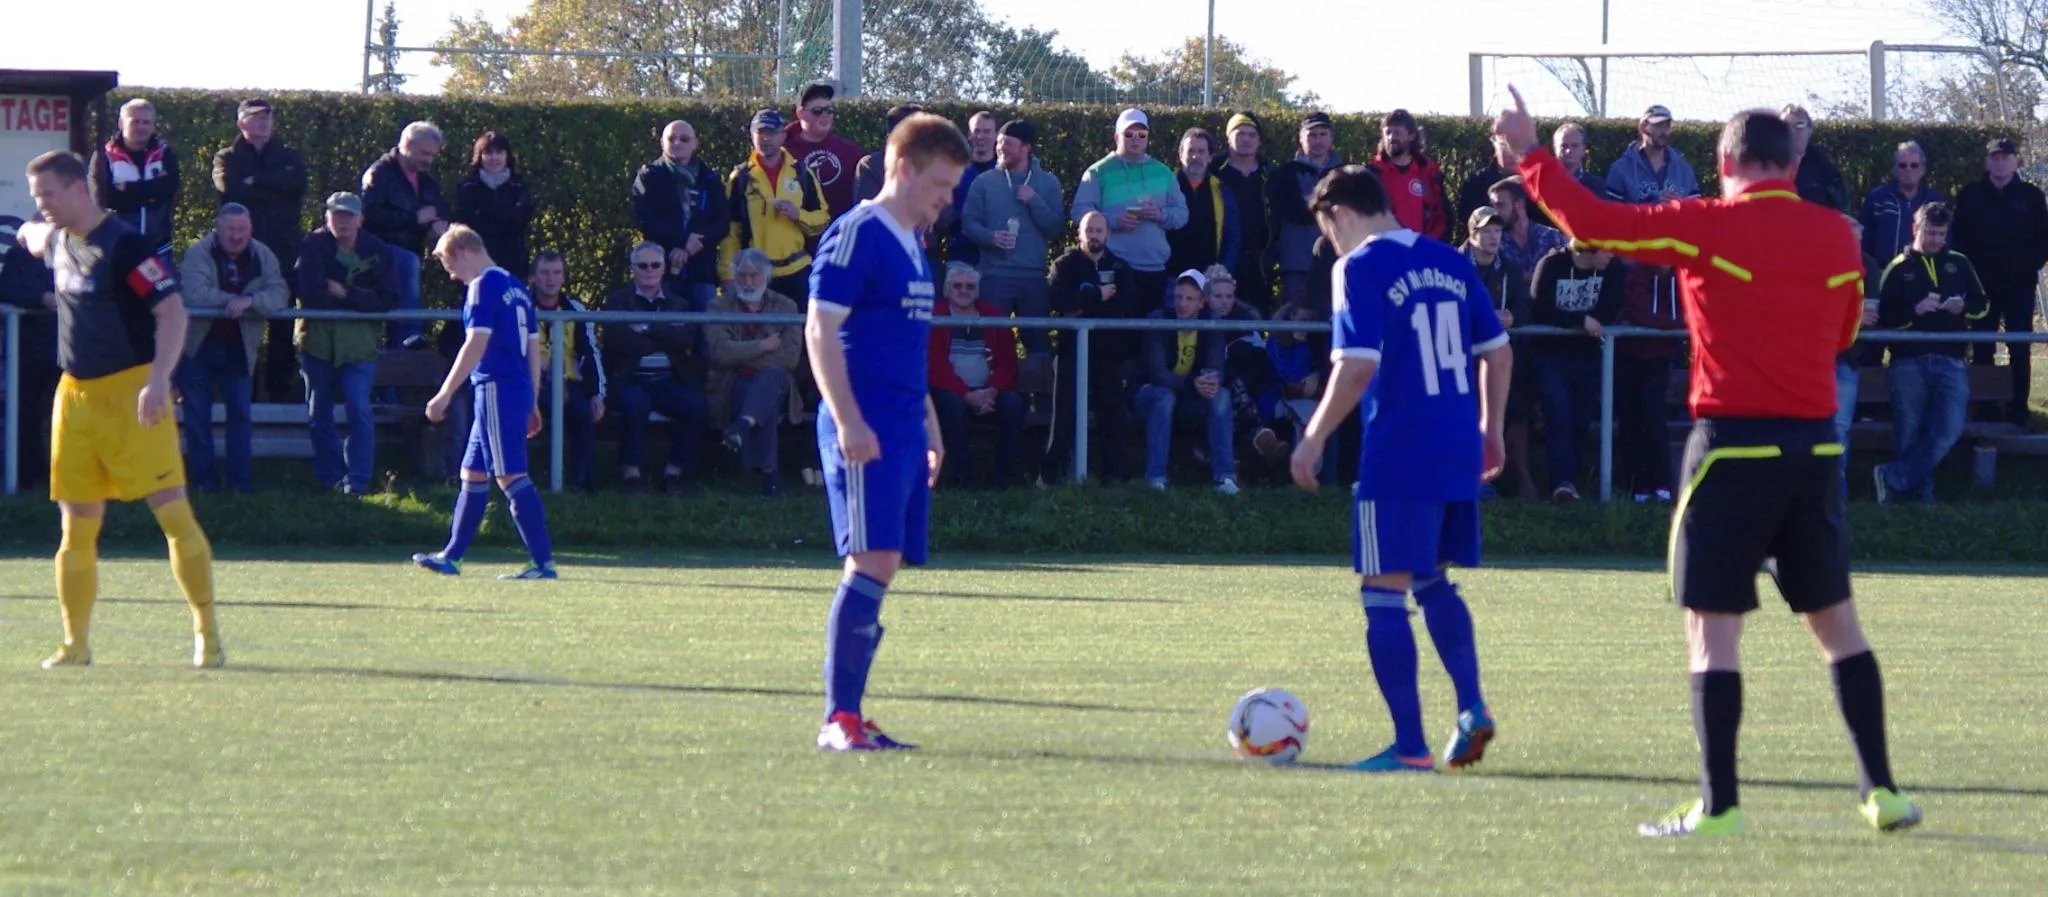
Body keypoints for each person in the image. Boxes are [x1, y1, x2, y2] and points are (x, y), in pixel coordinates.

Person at [1498, 87, 1921, 837]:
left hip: (1732, 446)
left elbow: (1595, 223)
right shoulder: (1837, 235)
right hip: (1815, 448)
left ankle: (1720, 806)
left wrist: (1532, 154)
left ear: (1724, 164)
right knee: (1838, 625)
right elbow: (1844, 333)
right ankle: (1882, 791)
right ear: (1792, 165)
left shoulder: (1707, 223)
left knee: (1712, 628)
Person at [1287, 163, 1512, 774]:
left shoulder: (1357, 267)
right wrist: (1491, 430)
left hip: (1400, 446)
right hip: (1457, 442)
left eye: (1326, 230)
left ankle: (1410, 746)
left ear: (1337, 213)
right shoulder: (1451, 261)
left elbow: (1356, 366)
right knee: (1432, 579)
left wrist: (1313, 438)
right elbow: (1499, 352)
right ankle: (1471, 706)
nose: (1330, 244)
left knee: (1382, 592)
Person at [16, 150, 224, 669]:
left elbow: (172, 313)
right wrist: (27, 231)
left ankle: (207, 633)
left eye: (48, 195)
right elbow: (32, 236)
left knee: (172, 513)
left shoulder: (126, 245)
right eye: (37, 196)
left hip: (133, 392)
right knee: (76, 527)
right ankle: (75, 644)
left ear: (77, 189)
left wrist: (159, 379)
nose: (42, 205)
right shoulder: (57, 239)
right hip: (75, 398)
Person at [807, 113, 971, 752]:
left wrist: (929, 422)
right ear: (904, 168)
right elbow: (819, 329)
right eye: (940, 184)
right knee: (870, 558)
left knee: (886, 562)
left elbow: (905, 345)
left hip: (902, 421)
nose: (947, 199)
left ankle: (852, 712)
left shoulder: (913, 243)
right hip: (865, 419)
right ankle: (838, 718)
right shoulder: (858, 233)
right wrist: (848, 419)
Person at [411, 226, 556, 581]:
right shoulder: (516, 287)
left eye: (449, 266)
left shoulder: (482, 285)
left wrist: (445, 393)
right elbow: (533, 349)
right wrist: (533, 399)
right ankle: (451, 556)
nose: (452, 275)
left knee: (510, 475)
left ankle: (543, 563)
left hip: (495, 387)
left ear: (462, 252)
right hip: (515, 388)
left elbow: (475, 343)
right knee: (473, 473)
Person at [1873, 203, 1987, 505]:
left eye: (1941, 233)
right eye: (1930, 232)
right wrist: (1915, 310)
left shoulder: (1960, 262)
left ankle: (1893, 477)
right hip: (1907, 360)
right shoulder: (1897, 267)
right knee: (1908, 430)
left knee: (1951, 426)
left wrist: (1965, 308)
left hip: (1951, 359)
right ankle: (1918, 497)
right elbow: (1882, 318)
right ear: (1916, 229)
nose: (1936, 239)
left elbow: (1983, 304)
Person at [176, 203, 290, 494]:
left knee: (240, 415)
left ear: (250, 229)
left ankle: (240, 484)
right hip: (199, 346)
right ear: (218, 228)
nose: (236, 236)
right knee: (196, 415)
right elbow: (193, 293)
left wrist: (250, 302)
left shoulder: (263, 255)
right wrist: (232, 301)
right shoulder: (198, 252)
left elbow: (280, 293)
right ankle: (204, 482)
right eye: (230, 229)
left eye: (242, 229)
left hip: (240, 347)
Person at [294, 193, 398, 495]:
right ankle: (329, 477)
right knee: (319, 414)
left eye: (349, 216)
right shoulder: (312, 246)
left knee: (359, 411)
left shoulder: (377, 250)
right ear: (327, 218)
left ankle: (358, 480)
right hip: (317, 343)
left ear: (360, 219)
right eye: (336, 215)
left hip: (359, 347)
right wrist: (361, 301)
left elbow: (389, 298)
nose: (343, 221)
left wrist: (345, 294)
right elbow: (309, 292)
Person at [211, 98, 309, 403]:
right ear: (241, 123)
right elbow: (231, 189)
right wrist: (274, 188)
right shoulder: (226, 157)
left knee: (282, 320)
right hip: (242, 253)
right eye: (255, 117)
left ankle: (280, 392)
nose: (264, 122)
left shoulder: (289, 155)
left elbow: (297, 183)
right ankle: (243, 393)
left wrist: (258, 181)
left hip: (283, 250)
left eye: (267, 117)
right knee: (241, 322)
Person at [1041, 211, 1139, 485]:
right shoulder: (1064, 265)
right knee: (1064, 416)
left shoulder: (1120, 268)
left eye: (1099, 230)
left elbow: (1125, 307)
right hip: (1071, 353)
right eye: (1089, 230)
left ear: (1108, 234)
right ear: (1079, 234)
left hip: (1109, 354)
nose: (1094, 236)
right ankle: (1051, 479)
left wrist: (1081, 305)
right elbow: (1058, 301)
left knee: (1112, 415)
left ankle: (1113, 478)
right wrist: (1097, 295)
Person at [706, 248, 802, 497]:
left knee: (769, 379)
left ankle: (740, 429)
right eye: (742, 275)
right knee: (763, 393)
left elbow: (789, 358)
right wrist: (763, 346)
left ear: (767, 277)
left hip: (775, 380)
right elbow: (720, 352)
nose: (748, 282)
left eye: (754, 275)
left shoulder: (786, 306)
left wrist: (741, 354)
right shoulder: (718, 305)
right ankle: (770, 475)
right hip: (732, 381)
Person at [927, 263, 1025, 488]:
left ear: (978, 290)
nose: (964, 290)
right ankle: (963, 478)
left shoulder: (993, 316)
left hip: (988, 390)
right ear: (947, 289)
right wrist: (966, 395)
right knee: (952, 405)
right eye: (957, 286)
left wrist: (991, 391)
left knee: (1013, 405)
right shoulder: (935, 317)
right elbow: (934, 366)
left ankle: (1004, 478)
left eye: (970, 286)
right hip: (950, 390)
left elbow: (1008, 363)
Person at [360, 121, 448, 349]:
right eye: (424, 153)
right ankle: (410, 334)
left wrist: (437, 227)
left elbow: (437, 210)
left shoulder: (427, 182)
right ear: (407, 145)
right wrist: (413, 218)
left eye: (432, 155)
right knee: (407, 264)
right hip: (379, 248)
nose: (429, 160)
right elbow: (370, 215)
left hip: (412, 249)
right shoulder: (379, 174)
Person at [528, 251, 605, 493]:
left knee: (581, 411)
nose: (550, 279)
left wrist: (597, 394)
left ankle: (583, 480)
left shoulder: (574, 308)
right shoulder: (521, 307)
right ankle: (515, 478)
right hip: (529, 381)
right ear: (533, 277)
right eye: (544, 273)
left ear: (563, 277)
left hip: (567, 381)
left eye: (556, 273)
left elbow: (590, 352)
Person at [633, 120, 732, 308]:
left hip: (702, 271)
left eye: (684, 139)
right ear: (662, 143)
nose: (677, 143)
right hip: (662, 271)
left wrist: (695, 244)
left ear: (695, 144)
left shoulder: (710, 179)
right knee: (667, 324)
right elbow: (645, 220)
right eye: (671, 139)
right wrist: (682, 241)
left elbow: (722, 222)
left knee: (705, 324)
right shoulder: (649, 177)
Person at [88, 99, 181, 261]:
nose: (141, 127)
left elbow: (171, 187)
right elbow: (105, 199)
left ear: (153, 126)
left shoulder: (164, 153)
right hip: (117, 248)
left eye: (146, 122)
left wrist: (129, 189)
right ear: (121, 123)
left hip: (158, 246)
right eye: (135, 122)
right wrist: (151, 193)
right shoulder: (105, 156)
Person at [453, 131, 535, 283]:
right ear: (480, 156)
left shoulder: (519, 186)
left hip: (513, 259)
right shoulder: (468, 187)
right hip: (477, 259)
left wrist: (488, 215)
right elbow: (467, 220)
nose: (494, 158)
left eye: (499, 152)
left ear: (507, 156)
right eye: (488, 153)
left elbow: (521, 218)